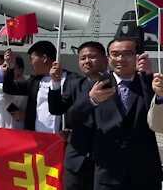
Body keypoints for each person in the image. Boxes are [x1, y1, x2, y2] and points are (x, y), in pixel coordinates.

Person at [68, 38, 161, 189]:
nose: (121, 59)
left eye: (127, 54)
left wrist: (148, 77)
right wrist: (91, 100)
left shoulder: (151, 83)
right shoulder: (95, 84)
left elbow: (156, 114)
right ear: (108, 58)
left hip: (144, 172)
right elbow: (72, 118)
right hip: (107, 172)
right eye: (115, 54)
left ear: (138, 56)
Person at [47, 41, 108, 190]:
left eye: (92, 57)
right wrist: (55, 83)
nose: (87, 61)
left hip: (106, 161)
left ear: (105, 60)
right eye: (83, 58)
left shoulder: (115, 85)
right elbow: (57, 109)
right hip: (77, 161)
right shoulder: (75, 85)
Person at [3, 41, 80, 133]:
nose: (31, 64)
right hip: (37, 137)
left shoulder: (73, 80)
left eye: (32, 59)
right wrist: (10, 68)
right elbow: (9, 89)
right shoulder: (34, 82)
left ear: (44, 58)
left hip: (61, 139)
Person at [0, 56, 27, 129]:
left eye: (11, 66)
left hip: (19, 130)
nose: (6, 69)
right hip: (1, 128)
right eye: (5, 66)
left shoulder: (28, 88)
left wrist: (24, 116)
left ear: (20, 70)